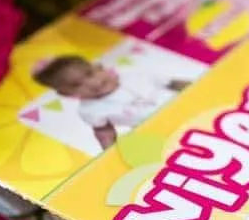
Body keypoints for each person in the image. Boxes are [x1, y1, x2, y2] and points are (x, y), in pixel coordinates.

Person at [33, 55, 189, 150]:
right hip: (162, 132)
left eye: (89, 74)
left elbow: (175, 83)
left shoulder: (134, 76)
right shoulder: (90, 110)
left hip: (188, 107)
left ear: (99, 67)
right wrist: (110, 154)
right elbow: (105, 133)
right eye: (76, 85)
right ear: (66, 94)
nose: (92, 83)